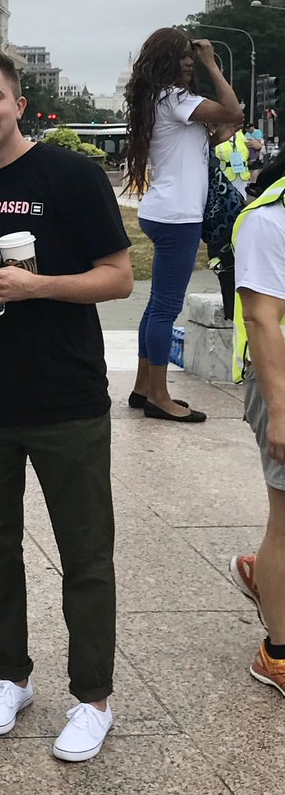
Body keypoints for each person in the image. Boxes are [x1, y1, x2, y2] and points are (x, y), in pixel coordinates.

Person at [0, 46, 133, 763]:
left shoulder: (68, 175)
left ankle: (92, 697)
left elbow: (118, 277)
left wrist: (35, 287)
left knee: (84, 554)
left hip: (64, 399)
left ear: (17, 102)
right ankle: (10, 676)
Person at [124, 30, 243, 422]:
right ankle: (159, 396)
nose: (189, 61)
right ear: (165, 62)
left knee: (157, 306)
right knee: (165, 308)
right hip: (178, 216)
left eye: (192, 56)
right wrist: (213, 64)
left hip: (165, 210)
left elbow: (225, 126)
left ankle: (143, 387)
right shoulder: (176, 99)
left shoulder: (160, 100)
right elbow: (235, 112)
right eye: (182, 57)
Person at [229, 151, 285, 697]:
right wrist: (281, 414)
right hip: (282, 383)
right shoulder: (269, 218)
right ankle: (277, 653)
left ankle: (263, 576)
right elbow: (261, 319)